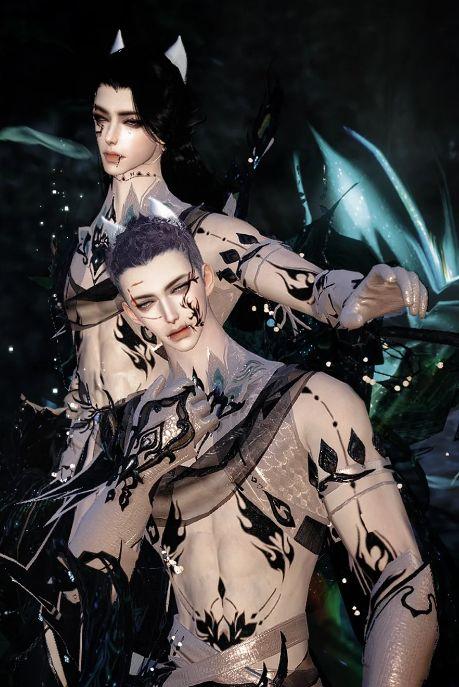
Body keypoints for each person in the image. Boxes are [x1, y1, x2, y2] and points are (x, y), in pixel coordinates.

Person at [65, 214, 438, 687]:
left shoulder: (310, 401)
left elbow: (403, 577)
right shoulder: (133, 424)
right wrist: (143, 468)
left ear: (206, 278)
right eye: (146, 301)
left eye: (180, 287)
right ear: (129, 311)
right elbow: (91, 568)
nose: (172, 312)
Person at [56, 36, 428, 489]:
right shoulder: (84, 245)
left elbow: (290, 274)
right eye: (101, 119)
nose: (110, 137)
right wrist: (72, 443)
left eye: (130, 121)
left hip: (169, 453)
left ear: (163, 127)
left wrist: (353, 295)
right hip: (88, 462)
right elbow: (87, 361)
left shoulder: (198, 232)